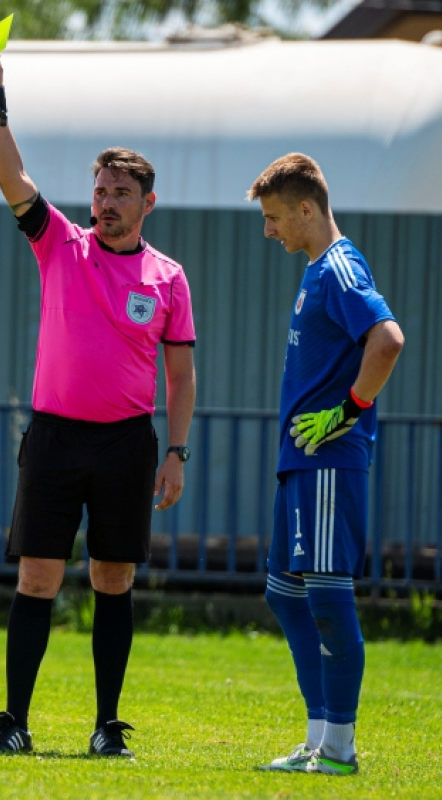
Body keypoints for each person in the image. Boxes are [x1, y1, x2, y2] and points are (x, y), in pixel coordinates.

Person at [0, 42, 196, 757]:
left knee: (113, 576)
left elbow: (181, 376)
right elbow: (12, 175)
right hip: (56, 437)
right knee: (36, 575)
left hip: (128, 444)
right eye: (99, 192)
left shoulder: (169, 278)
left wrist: (178, 453)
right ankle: (14, 723)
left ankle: (107, 726)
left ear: (146, 203)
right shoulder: (61, 244)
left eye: (119, 194)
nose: (104, 204)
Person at [247, 153, 403, 776]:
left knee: (328, 600)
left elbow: (387, 339)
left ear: (307, 209)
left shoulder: (339, 267)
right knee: (284, 592)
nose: (269, 230)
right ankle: (319, 738)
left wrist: (349, 410)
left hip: (329, 461)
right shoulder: (317, 268)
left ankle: (339, 748)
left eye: (276, 217)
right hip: (301, 460)